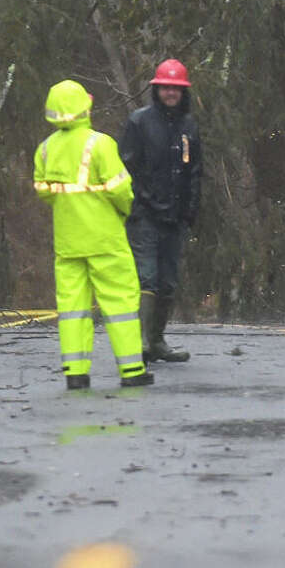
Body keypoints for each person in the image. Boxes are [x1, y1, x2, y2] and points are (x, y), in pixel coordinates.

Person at [33, 79, 152, 391]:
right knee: (120, 304)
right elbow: (121, 190)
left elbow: (44, 192)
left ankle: (75, 372)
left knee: (72, 309)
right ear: (85, 106)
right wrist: (124, 212)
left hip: (68, 243)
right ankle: (132, 371)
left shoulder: (45, 149)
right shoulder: (100, 144)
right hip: (105, 239)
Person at [119, 58, 201, 364]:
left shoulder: (188, 126)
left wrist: (190, 209)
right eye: (166, 87)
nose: (170, 93)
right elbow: (126, 168)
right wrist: (144, 202)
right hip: (145, 216)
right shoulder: (139, 122)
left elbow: (195, 170)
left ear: (183, 92)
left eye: (175, 88)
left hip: (176, 218)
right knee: (147, 279)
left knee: (168, 282)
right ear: (157, 89)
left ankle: (157, 341)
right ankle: (140, 342)